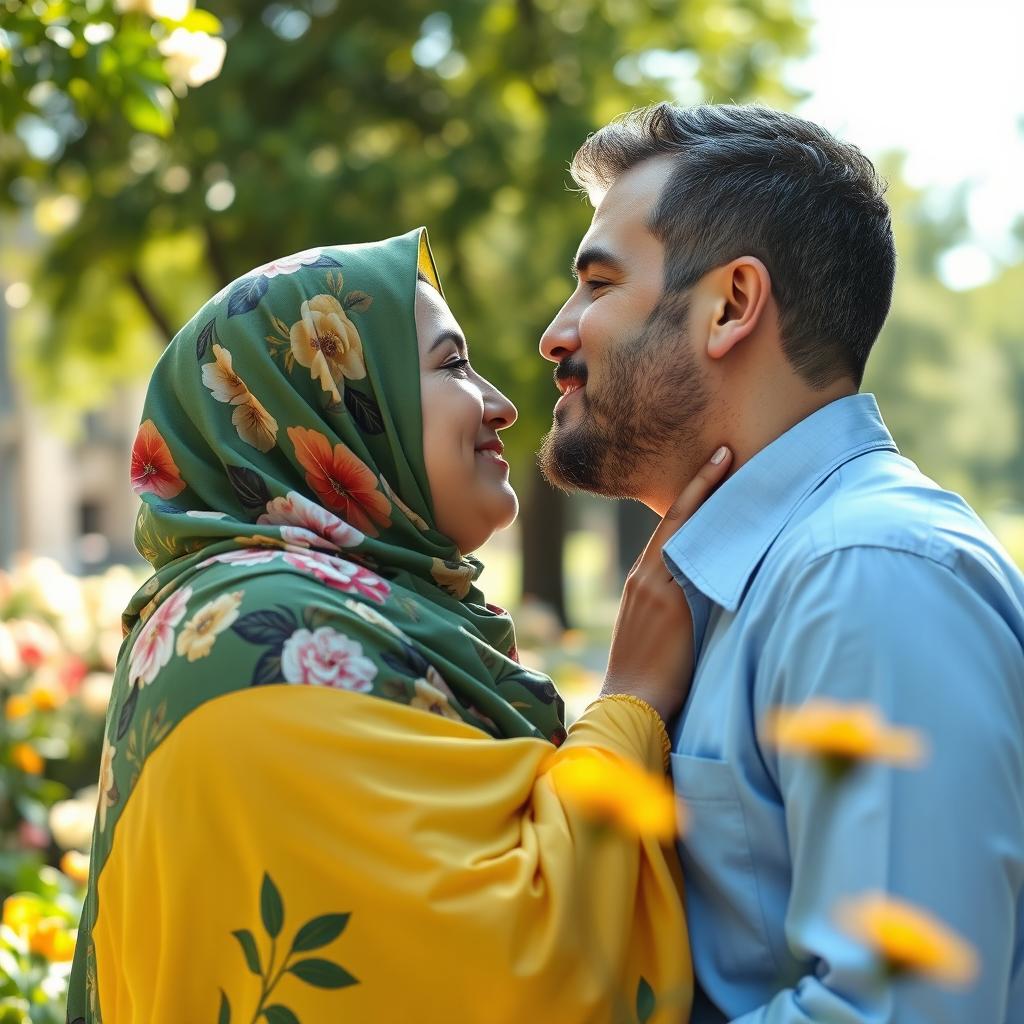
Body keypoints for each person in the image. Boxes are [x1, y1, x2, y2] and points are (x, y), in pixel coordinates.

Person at [66, 228, 731, 1023]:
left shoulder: (328, 613)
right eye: (451, 364)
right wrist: (630, 700)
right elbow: (507, 972)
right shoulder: (258, 635)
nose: (502, 403)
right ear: (328, 407)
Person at [539, 101, 1024, 1022]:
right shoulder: (743, 585)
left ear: (730, 306)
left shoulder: (870, 575)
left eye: (597, 284)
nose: (555, 335)